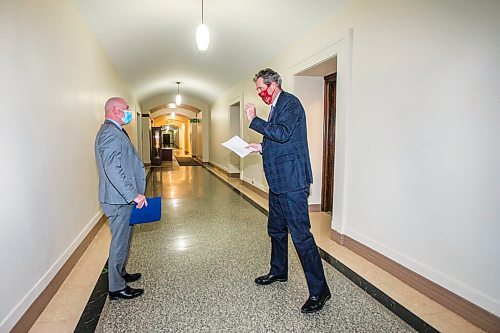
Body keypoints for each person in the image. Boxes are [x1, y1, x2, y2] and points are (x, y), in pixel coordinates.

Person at [245, 68, 331, 313]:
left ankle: (319, 291)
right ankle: (278, 270)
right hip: (278, 181)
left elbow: (282, 133)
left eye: (261, 89)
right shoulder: (276, 107)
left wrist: (254, 120)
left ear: (273, 85)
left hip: (292, 183)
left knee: (301, 237)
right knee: (276, 230)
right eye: (258, 90)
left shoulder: (290, 103)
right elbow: (283, 140)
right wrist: (261, 148)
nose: (260, 94)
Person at [95, 97, 147, 300]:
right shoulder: (109, 133)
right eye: (126, 109)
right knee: (119, 241)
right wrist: (133, 195)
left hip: (121, 198)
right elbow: (112, 169)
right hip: (118, 199)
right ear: (115, 110)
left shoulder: (115, 131)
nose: (129, 113)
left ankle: (121, 273)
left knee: (125, 238)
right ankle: (116, 288)